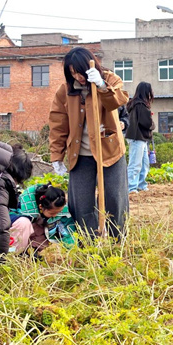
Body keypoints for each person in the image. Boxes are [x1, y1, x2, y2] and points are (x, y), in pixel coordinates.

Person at [49, 47, 129, 237]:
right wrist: (56, 156)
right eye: (72, 72)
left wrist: (101, 86)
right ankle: (90, 244)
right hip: (80, 154)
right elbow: (58, 124)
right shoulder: (65, 91)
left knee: (113, 200)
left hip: (109, 151)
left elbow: (117, 101)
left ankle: (116, 240)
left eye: (79, 71)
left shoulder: (110, 80)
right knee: (81, 202)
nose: (78, 76)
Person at [9, 182, 75, 254]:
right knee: (25, 223)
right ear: (41, 207)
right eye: (52, 213)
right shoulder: (24, 209)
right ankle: (13, 254)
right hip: (19, 242)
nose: (55, 215)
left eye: (59, 212)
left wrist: (72, 250)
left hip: (40, 243)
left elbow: (68, 232)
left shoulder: (63, 212)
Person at [126, 81, 154, 194]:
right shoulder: (140, 105)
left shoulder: (134, 104)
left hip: (137, 137)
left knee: (143, 162)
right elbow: (148, 123)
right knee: (136, 163)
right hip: (137, 137)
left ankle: (141, 185)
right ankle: (131, 187)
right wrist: (153, 124)